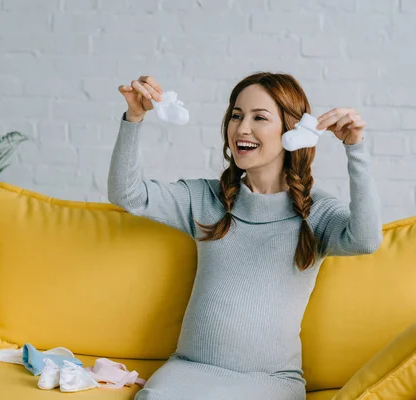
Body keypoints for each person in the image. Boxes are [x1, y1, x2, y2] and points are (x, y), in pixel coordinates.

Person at [107, 72, 383, 400]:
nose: (242, 129)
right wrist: (134, 117)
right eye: (236, 115)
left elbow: (365, 240)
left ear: (293, 130)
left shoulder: (316, 212)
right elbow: (127, 193)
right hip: (189, 369)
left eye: (259, 118)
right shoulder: (206, 200)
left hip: (270, 381)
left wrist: (355, 149)